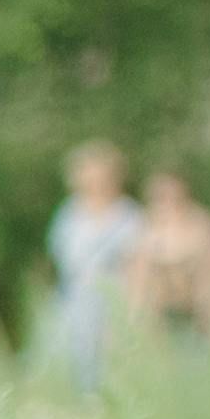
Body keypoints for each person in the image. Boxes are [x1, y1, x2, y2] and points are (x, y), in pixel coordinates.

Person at [42, 141, 139, 388]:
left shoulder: (128, 216)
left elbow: (136, 269)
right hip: (71, 303)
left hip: (112, 303)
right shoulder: (68, 214)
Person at [124, 167, 210, 355]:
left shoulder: (203, 226)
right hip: (156, 321)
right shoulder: (144, 228)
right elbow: (135, 281)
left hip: (196, 317)